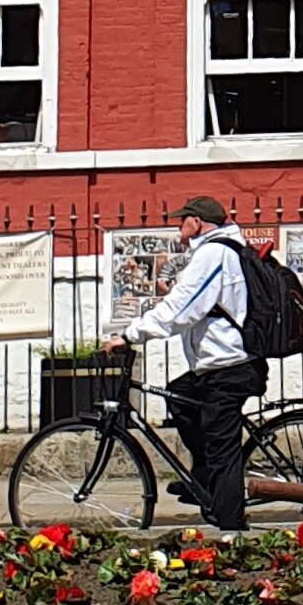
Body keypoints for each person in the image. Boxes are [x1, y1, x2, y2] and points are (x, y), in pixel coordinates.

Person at [104, 195, 260, 530]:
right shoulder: (220, 249)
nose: (178, 226)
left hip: (228, 367)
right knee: (180, 397)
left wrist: (131, 335)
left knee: (223, 449)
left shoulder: (214, 252)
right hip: (217, 365)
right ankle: (203, 482)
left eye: (182, 220)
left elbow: (181, 306)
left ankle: (231, 527)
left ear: (197, 222)